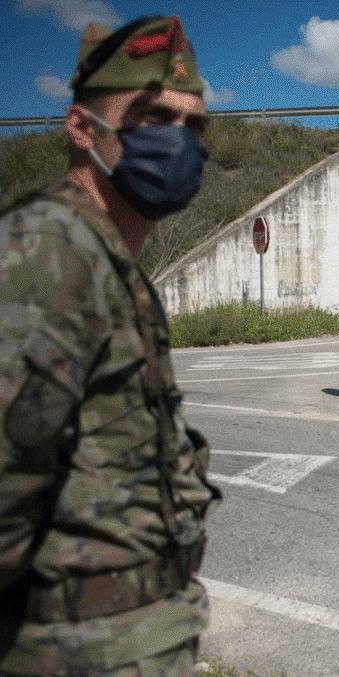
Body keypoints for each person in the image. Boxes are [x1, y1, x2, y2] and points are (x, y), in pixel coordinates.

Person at [0, 16, 221, 676]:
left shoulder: (104, 257)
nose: (179, 141)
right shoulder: (49, 252)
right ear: (81, 127)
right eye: (154, 117)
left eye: (194, 125)